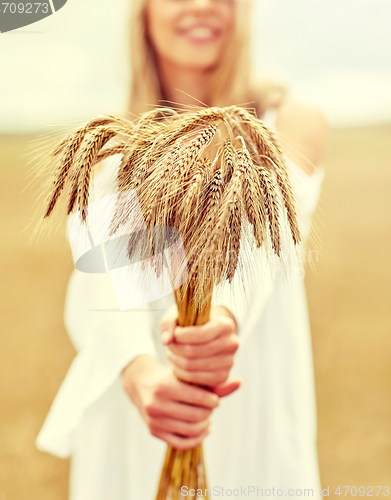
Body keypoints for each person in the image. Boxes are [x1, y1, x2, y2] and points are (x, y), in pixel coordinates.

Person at [36, 0, 329, 498]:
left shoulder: (290, 122)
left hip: (247, 391)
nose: (201, 6)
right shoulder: (111, 146)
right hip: (142, 411)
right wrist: (138, 370)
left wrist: (221, 319)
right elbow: (99, 279)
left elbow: (266, 244)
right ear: (143, 12)